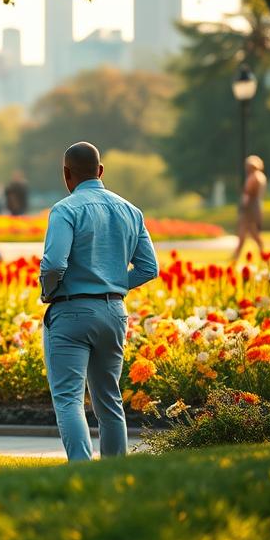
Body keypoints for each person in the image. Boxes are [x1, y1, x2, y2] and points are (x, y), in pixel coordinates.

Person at [40, 142, 159, 461]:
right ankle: (114, 470)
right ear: (101, 171)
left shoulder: (65, 209)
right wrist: (116, 283)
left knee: (68, 399)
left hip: (71, 311)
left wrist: (48, 292)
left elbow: (53, 264)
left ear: (66, 174)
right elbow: (150, 268)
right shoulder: (131, 210)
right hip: (113, 311)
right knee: (109, 399)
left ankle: (80, 468)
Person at [232, 155, 267, 262]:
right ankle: (236, 255)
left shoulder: (252, 178)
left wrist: (241, 208)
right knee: (250, 232)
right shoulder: (261, 177)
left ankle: (237, 256)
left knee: (248, 232)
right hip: (256, 207)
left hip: (249, 209)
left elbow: (246, 195)